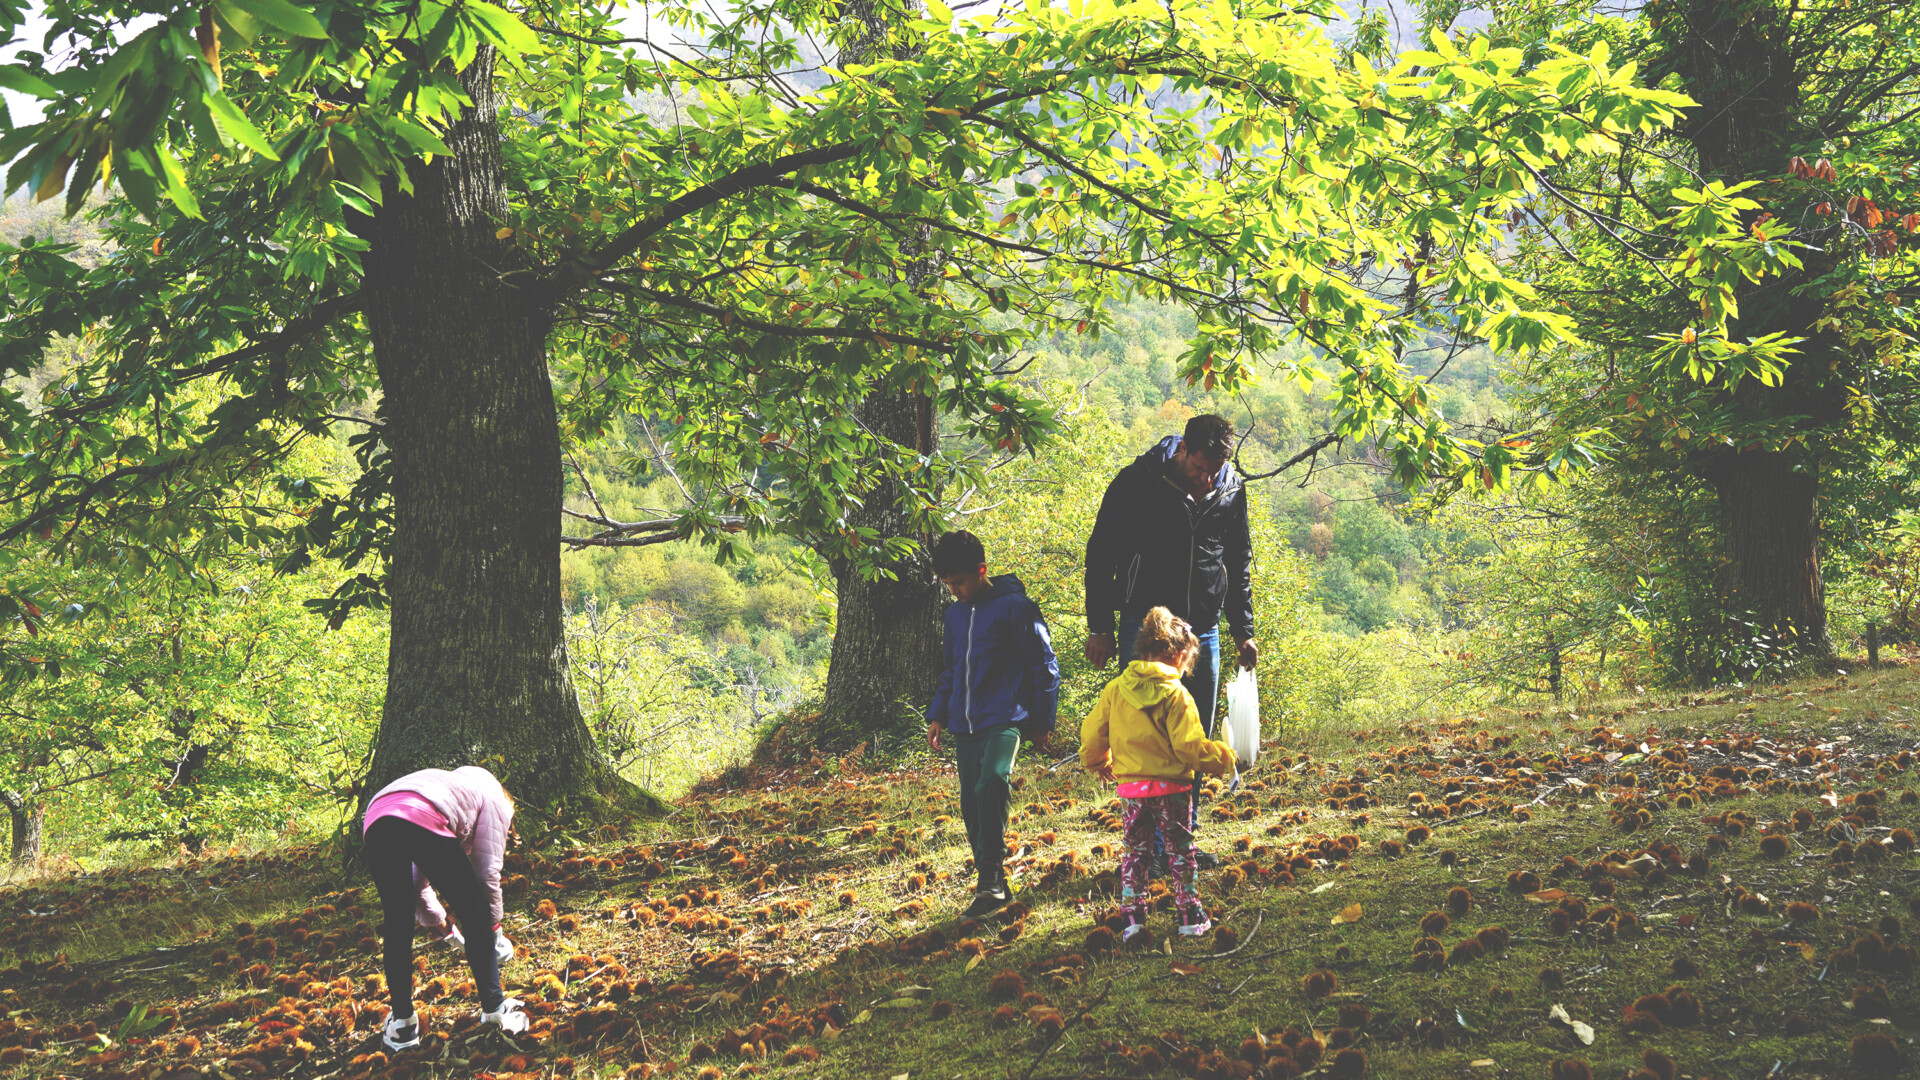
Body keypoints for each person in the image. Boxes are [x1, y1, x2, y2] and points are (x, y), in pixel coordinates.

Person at [1083, 413, 1256, 867]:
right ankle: (1146, 847)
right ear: (1182, 450)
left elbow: (1238, 559)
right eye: (1199, 469)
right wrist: (1099, 624)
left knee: (1190, 732)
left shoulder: (1231, 488)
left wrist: (1244, 630)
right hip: (1145, 624)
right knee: (1144, 734)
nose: (1205, 479)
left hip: (1203, 629)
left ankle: (1181, 843)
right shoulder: (1138, 482)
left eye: (1213, 471)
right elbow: (1101, 553)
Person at [926, 529, 1061, 919]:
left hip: (1007, 716)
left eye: (959, 582)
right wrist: (938, 714)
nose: (954, 591)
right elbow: (951, 670)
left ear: (981, 570)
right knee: (971, 803)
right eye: (948, 584)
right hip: (963, 724)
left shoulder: (1015, 607)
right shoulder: (953, 614)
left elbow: (1044, 664)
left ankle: (991, 880)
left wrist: (1042, 721)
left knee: (993, 781)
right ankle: (991, 882)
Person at [1080, 607, 1236, 941]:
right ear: (1181, 656)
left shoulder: (1116, 689)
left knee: (1135, 854)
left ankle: (1133, 918)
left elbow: (1094, 733)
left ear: (1142, 651)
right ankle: (1190, 915)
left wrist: (1097, 761)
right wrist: (1226, 757)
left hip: (1132, 790)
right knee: (1180, 851)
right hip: (1172, 788)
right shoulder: (1177, 694)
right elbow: (1189, 747)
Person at [363, 765, 527, 1051]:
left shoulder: (455, 789)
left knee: (397, 923)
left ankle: (402, 1024)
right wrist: (494, 933)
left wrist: (451, 935)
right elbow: (487, 873)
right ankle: (495, 1011)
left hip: (378, 817)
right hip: (423, 812)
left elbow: (415, 886)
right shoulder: (497, 799)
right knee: (475, 908)